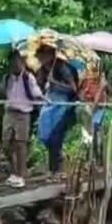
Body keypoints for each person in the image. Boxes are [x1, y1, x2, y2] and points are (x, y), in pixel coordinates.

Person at [35, 45, 79, 182]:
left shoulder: (62, 67)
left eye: (42, 55)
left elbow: (73, 88)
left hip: (62, 106)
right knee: (45, 136)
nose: (39, 58)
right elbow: (39, 86)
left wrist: (55, 83)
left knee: (55, 137)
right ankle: (57, 166)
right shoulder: (43, 70)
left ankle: (56, 170)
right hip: (49, 104)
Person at [1, 51, 44, 188]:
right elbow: (4, 92)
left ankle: (21, 175)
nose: (15, 65)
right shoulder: (8, 77)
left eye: (17, 61)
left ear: (22, 62)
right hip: (9, 112)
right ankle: (13, 173)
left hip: (23, 114)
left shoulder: (28, 77)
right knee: (6, 144)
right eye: (12, 62)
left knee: (20, 144)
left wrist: (44, 99)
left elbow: (37, 93)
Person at [82, 64, 112, 162]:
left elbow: (109, 93)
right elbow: (83, 94)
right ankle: (89, 159)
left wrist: (104, 85)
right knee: (88, 135)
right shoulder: (87, 79)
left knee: (98, 133)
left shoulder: (102, 81)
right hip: (89, 107)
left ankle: (99, 158)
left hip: (99, 108)